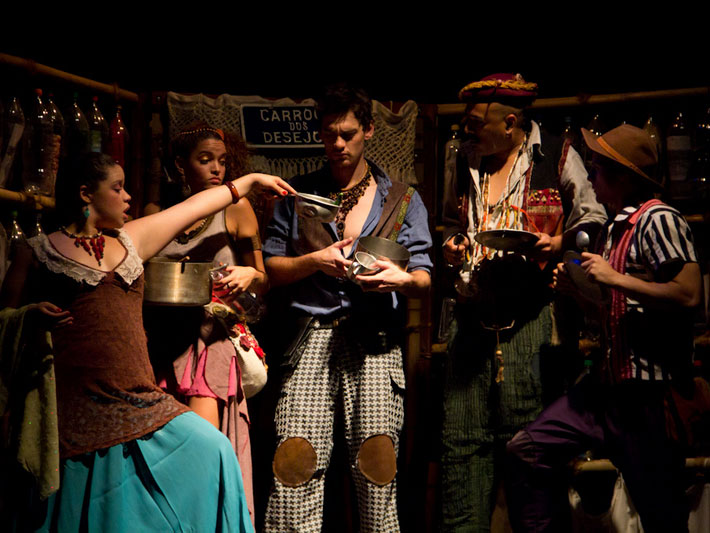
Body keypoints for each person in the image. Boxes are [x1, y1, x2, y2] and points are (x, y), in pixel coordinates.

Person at [0, 152, 293, 532]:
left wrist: (249, 181)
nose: (128, 198)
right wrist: (29, 316)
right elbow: (4, 320)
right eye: (117, 188)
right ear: (86, 194)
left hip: (136, 397)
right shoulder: (38, 252)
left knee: (215, 449)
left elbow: (192, 208)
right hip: (75, 407)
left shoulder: (130, 240)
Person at [505, 124, 702, 533]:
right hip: (607, 390)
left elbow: (688, 293)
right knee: (527, 449)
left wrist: (613, 278)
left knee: (661, 515)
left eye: (597, 169)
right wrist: (578, 292)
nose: (591, 178)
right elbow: (615, 309)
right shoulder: (614, 228)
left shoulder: (659, 218)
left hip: (649, 396)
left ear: (623, 177)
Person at [261, 83, 432, 532]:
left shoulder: (402, 199)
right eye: (329, 134)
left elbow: (423, 277)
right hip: (311, 338)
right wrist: (314, 261)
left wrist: (401, 279)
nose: (337, 144)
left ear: (368, 130)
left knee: (377, 469)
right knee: (294, 464)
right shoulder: (297, 195)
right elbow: (271, 268)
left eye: (348, 134)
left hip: (374, 338)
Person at [440, 73, 607, 531]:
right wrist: (452, 244)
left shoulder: (555, 154)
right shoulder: (464, 158)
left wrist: (560, 244)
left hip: (533, 317)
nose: (467, 129)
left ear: (510, 123)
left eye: (476, 122)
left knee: (530, 448)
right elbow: (452, 220)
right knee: (462, 447)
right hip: (472, 317)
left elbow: (593, 218)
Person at [143, 124, 265, 524]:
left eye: (222, 161)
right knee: (163, 454)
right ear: (181, 165)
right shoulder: (159, 215)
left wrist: (249, 274)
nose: (217, 169)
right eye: (205, 160)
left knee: (200, 450)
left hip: (211, 341)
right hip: (164, 341)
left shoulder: (236, 209)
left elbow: (263, 278)